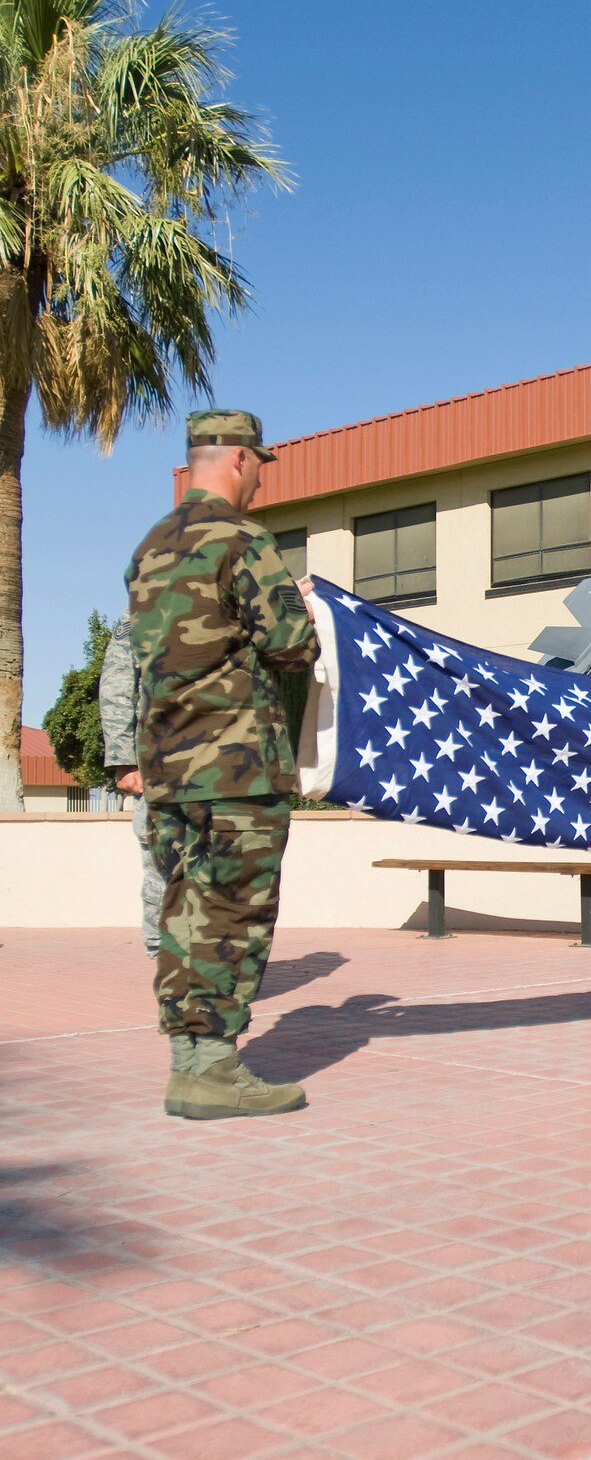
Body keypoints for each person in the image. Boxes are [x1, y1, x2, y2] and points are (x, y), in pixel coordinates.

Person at [127, 409, 319, 1120]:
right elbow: (290, 644)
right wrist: (298, 609)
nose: (261, 481)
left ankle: (190, 1062)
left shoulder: (150, 547)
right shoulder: (243, 539)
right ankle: (212, 1069)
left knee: (185, 912)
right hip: (237, 766)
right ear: (239, 460)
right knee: (233, 914)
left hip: (169, 770)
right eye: (261, 466)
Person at [99, 611, 165, 957]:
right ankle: (163, 956)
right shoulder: (144, 606)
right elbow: (118, 682)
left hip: (228, 765)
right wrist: (124, 760)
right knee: (160, 863)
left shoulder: (237, 597)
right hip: (161, 764)